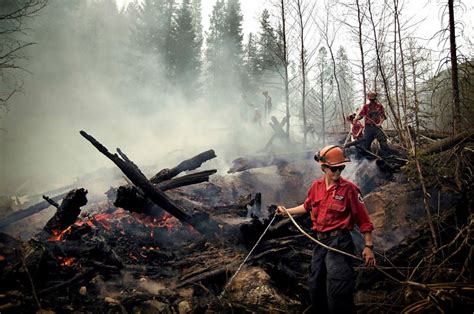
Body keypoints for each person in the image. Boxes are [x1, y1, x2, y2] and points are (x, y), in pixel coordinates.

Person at [276, 145, 375, 313]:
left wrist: (368, 246)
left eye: (341, 168)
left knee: (338, 289)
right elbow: (307, 206)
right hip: (321, 242)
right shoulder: (316, 187)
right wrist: (287, 212)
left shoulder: (349, 189)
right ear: (323, 167)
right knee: (316, 285)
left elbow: (363, 219)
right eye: (334, 169)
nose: (338, 172)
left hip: (339, 242)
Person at [354, 91, 393, 157]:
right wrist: (355, 119)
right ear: (368, 98)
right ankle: (367, 158)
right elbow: (361, 116)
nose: (372, 100)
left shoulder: (379, 106)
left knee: (383, 141)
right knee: (365, 144)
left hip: (377, 127)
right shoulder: (365, 107)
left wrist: (380, 123)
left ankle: (386, 157)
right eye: (370, 98)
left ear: (375, 98)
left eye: (373, 98)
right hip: (368, 128)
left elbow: (383, 117)